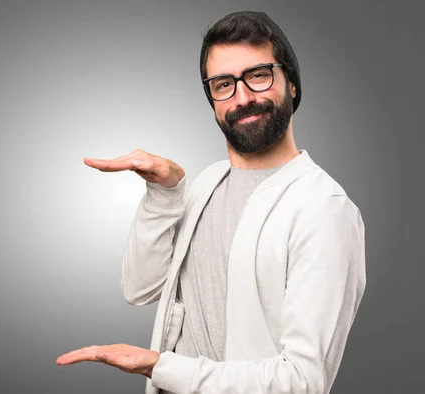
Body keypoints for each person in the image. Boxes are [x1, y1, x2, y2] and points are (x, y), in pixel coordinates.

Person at [56, 10, 366, 394]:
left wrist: (161, 367)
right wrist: (164, 194)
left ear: (293, 84)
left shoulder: (324, 209)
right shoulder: (208, 183)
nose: (243, 97)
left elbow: (301, 382)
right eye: (223, 84)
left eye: (258, 75)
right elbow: (140, 289)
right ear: (212, 99)